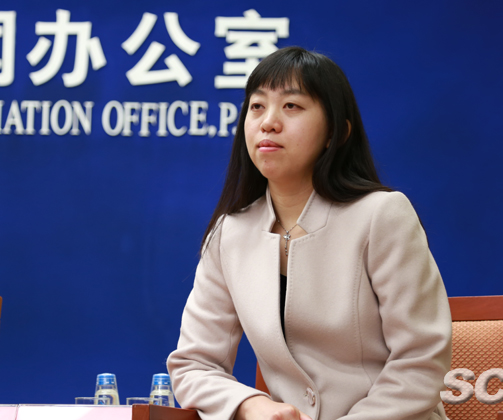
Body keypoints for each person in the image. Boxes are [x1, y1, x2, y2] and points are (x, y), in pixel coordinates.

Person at [167, 46, 452, 420]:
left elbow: (421, 360)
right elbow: (194, 365)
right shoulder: (229, 235)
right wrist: (252, 405)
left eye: (292, 106)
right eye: (257, 106)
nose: (268, 122)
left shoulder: (382, 215)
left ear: (335, 132)